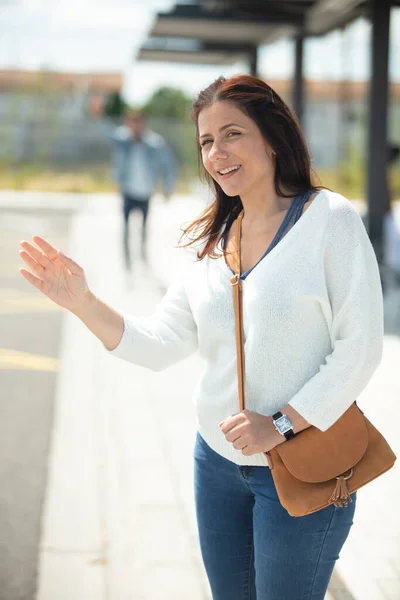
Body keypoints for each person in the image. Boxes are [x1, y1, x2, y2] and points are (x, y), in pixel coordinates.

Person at [19, 75, 383, 600]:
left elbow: (361, 349)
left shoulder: (330, 220)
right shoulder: (212, 238)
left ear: (273, 136)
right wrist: (82, 301)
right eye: (206, 141)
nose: (217, 152)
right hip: (216, 466)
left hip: (305, 464)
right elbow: (160, 342)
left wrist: (280, 424)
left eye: (232, 133)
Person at [90, 98, 176, 268]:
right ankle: (127, 259)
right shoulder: (123, 139)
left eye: (137, 122)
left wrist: (167, 187)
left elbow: (167, 165)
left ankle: (143, 254)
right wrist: (98, 116)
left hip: (145, 191)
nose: (134, 126)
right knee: (126, 227)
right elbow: (107, 132)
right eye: (131, 122)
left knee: (144, 227)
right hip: (128, 191)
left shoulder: (154, 143)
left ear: (143, 123)